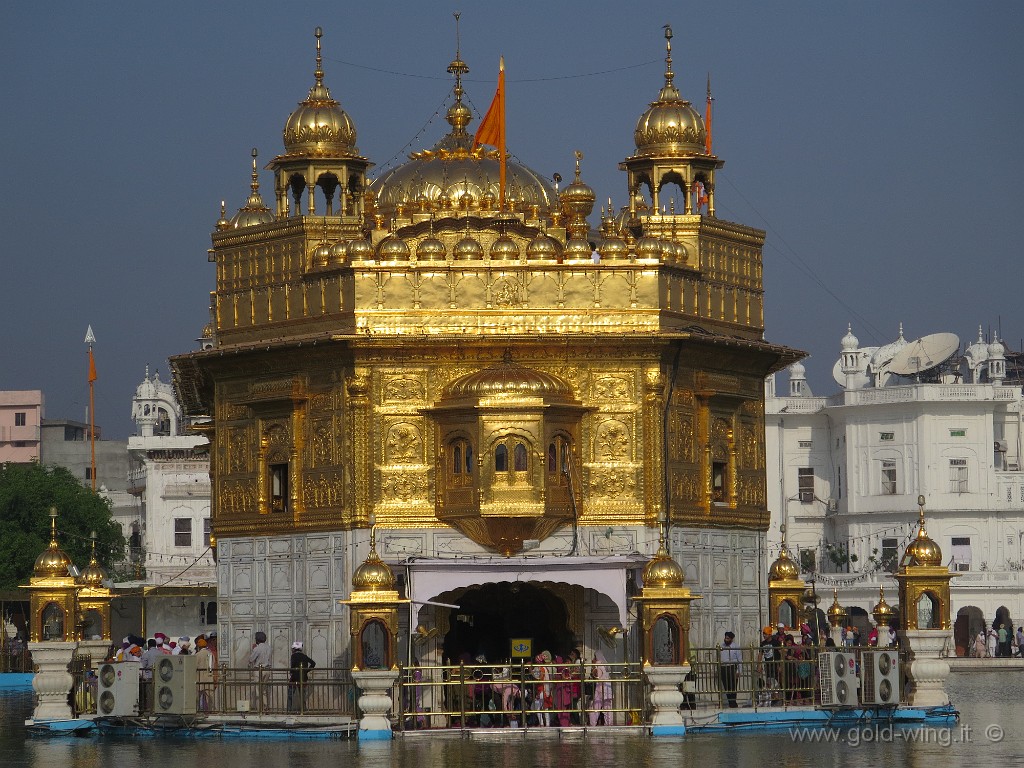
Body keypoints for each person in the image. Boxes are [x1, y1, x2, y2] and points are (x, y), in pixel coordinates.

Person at [288, 641, 316, 712]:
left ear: (294, 649)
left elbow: (292, 666)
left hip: (294, 678)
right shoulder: (304, 656)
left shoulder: (293, 656)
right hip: (303, 677)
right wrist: (306, 670)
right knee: (302, 695)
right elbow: (313, 663)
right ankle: (304, 709)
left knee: (290, 694)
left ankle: (289, 710)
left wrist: (291, 672)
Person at [589, 651, 613, 725]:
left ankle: (592, 723)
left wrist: (593, 669)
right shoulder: (605, 665)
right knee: (607, 708)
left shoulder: (598, 663)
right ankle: (609, 723)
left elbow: (598, 676)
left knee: (595, 707)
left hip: (600, 688)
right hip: (607, 688)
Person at [719, 631, 741, 708]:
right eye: (725, 638)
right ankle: (730, 703)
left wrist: (738, 671)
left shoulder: (736, 647)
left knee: (733, 686)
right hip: (724, 668)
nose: (726, 639)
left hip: (732, 667)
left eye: (728, 638)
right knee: (726, 687)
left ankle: (733, 703)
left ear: (731, 639)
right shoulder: (722, 646)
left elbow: (739, 660)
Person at [194, 636, 214, 713]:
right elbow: (212, 665)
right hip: (209, 677)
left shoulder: (198, 655)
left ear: (199, 646)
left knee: (197, 696)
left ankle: (196, 710)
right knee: (210, 696)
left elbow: (194, 666)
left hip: (199, 678)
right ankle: (210, 711)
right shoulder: (210, 654)